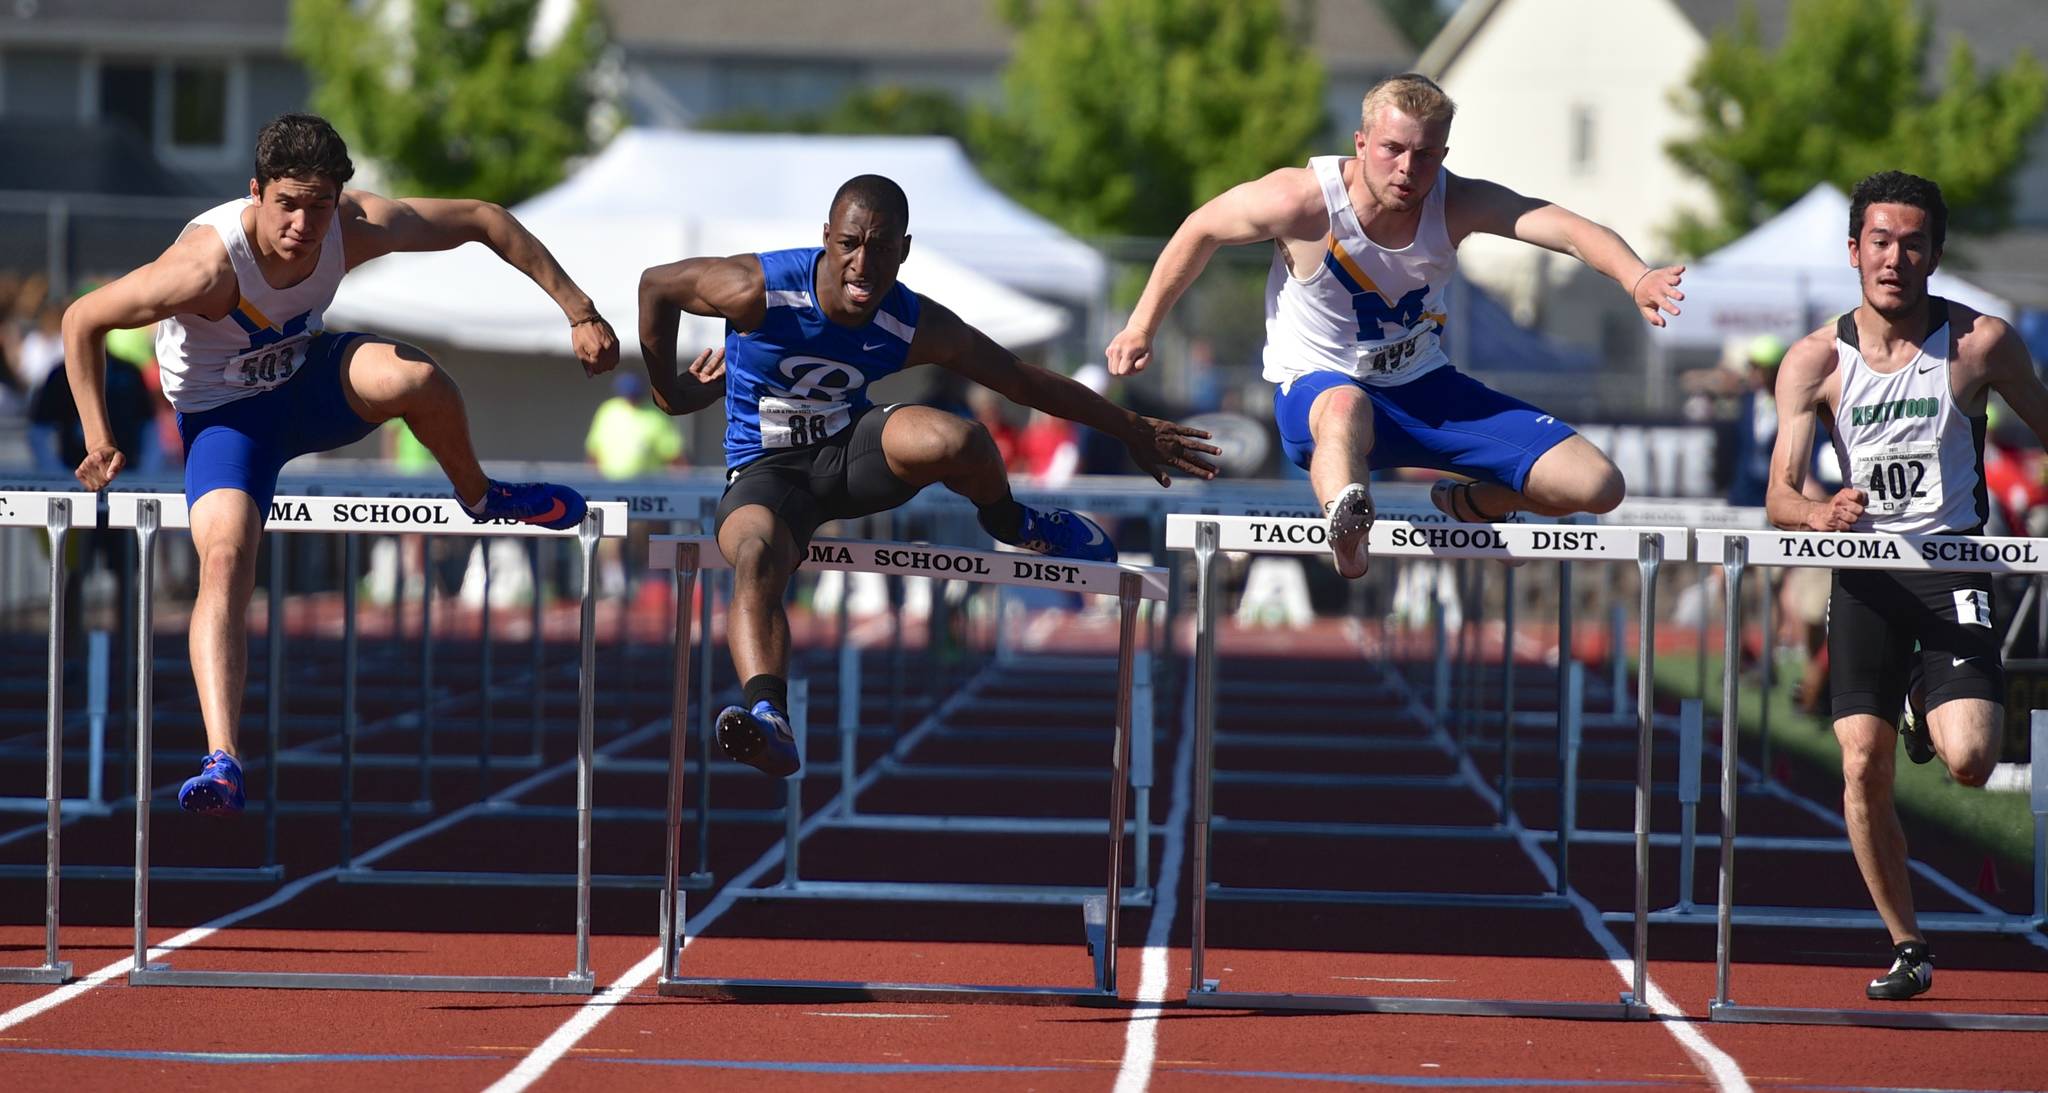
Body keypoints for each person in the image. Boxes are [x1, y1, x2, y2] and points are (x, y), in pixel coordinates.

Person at [62, 113, 619, 816]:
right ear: (256, 192)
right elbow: (83, 318)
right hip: (226, 421)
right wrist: (98, 434)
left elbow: (485, 218)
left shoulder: (351, 227)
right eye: (287, 204)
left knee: (419, 379)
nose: (302, 224)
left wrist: (580, 310)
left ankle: (480, 496)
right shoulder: (205, 266)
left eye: (317, 207)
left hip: (309, 381)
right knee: (228, 555)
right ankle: (224, 757)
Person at [637, 174, 1218, 777]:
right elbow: (656, 285)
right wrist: (669, 394)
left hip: (847, 456)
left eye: (881, 248)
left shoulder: (910, 321)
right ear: (827, 239)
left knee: (958, 436)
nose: (862, 265)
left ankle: (1014, 520)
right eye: (849, 245)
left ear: (904, 250)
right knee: (755, 553)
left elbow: (1020, 380)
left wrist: (1131, 428)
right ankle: (770, 717)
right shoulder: (756, 287)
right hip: (764, 473)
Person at [1106, 73, 1682, 577]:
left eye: (1426, 155)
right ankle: (1348, 526)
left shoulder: (1457, 202)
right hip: (1319, 389)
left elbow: (1564, 227)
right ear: (1361, 143)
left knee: (1597, 487)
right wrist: (1141, 326)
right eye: (1392, 149)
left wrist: (1635, 278)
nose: (1408, 169)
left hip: (1422, 388)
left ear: (1443, 154)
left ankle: (1470, 504)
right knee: (1345, 405)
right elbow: (1200, 229)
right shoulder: (1302, 201)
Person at [1765, 170, 2048, 1002]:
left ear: (1935, 254)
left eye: (1912, 243)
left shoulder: (1981, 344)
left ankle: (1931, 703)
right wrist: (1819, 512)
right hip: (1865, 578)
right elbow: (1780, 496)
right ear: (1854, 251)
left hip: (1952, 571)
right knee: (1861, 764)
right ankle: (1908, 943)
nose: (1895, 259)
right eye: (1880, 242)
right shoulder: (1814, 360)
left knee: (1968, 760)